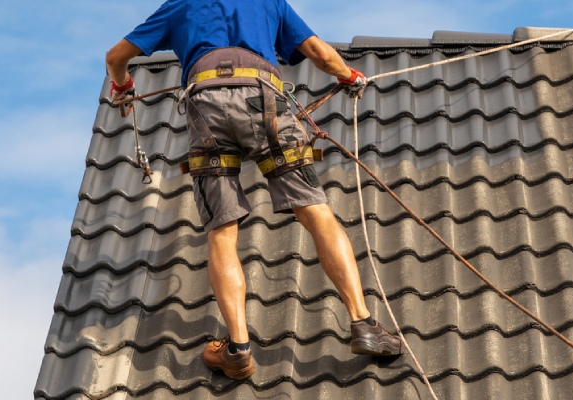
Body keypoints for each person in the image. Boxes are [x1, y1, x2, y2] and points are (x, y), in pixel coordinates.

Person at [105, 0, 402, 380]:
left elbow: (116, 56)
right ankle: (363, 324)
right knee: (315, 212)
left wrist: (123, 85)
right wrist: (349, 77)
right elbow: (319, 54)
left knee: (223, 231)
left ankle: (239, 350)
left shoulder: (180, 5)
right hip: (263, 103)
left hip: (206, 109)